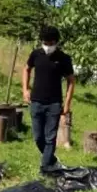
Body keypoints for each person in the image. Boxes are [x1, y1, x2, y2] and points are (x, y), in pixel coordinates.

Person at [22, 26, 75, 174]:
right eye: (45, 42)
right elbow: (26, 69)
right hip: (36, 102)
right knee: (38, 137)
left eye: (51, 43)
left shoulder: (64, 59)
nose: (48, 46)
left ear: (56, 42)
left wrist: (67, 103)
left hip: (54, 104)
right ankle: (51, 160)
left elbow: (71, 81)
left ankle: (44, 168)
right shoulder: (36, 54)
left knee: (50, 137)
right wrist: (25, 89)